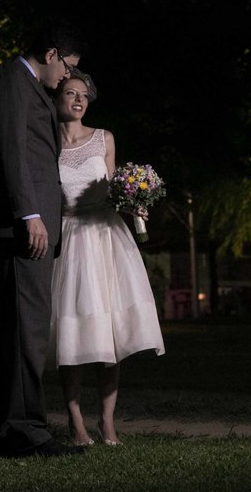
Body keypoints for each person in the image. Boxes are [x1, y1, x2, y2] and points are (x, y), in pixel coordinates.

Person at [0, 22, 86, 458]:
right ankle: (26, 430)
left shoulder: (28, 87)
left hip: (29, 227)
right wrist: (30, 213)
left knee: (22, 330)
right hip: (22, 229)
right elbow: (11, 149)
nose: (66, 78)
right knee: (27, 330)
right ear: (52, 53)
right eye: (68, 67)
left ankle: (7, 430)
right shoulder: (12, 80)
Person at [49, 69, 165, 446]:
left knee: (110, 336)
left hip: (107, 238)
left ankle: (108, 422)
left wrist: (136, 202)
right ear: (57, 98)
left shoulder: (104, 139)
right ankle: (75, 423)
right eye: (70, 92)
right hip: (70, 242)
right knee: (74, 336)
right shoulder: (47, 145)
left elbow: (115, 187)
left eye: (84, 94)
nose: (79, 99)